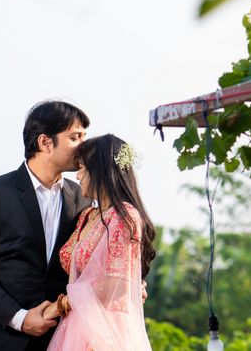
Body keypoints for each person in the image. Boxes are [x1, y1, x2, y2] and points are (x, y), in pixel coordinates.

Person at [0, 100, 91, 351]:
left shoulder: (83, 198)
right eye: (75, 137)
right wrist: (19, 318)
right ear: (45, 142)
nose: (85, 146)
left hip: (55, 341)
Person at [44, 134, 156, 350]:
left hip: (103, 330)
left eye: (83, 168)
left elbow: (116, 286)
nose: (77, 176)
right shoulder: (87, 215)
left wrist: (60, 306)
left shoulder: (124, 216)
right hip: (74, 327)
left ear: (101, 172)